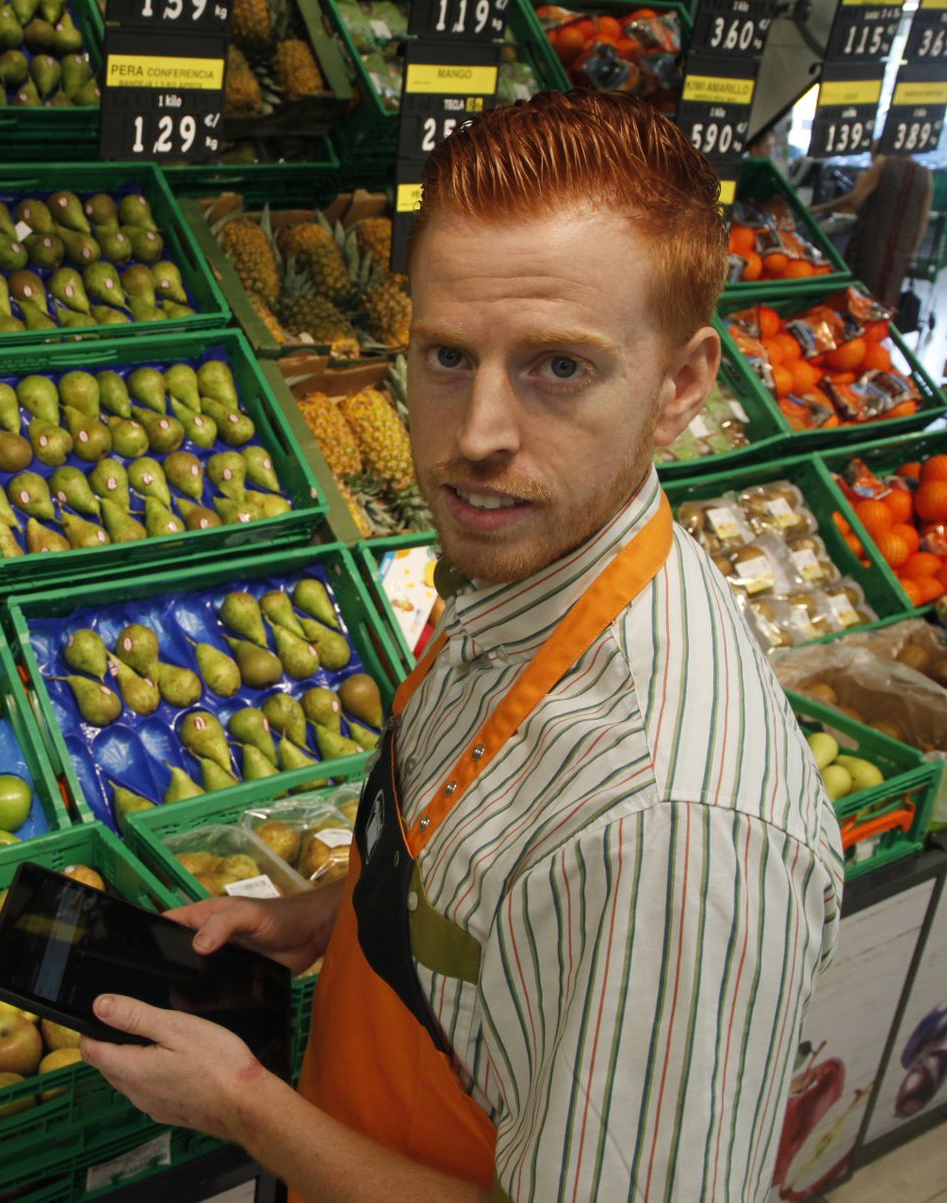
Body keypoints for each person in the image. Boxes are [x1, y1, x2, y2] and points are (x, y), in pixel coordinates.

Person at [79, 90, 845, 1202]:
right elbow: (483, 900)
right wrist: (328, 916)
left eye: (559, 368)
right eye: (444, 356)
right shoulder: (518, 570)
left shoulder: (674, 836)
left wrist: (246, 1106)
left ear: (680, 388)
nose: (476, 437)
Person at [810, 155, 933, 311]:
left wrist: (816, 209)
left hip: (872, 246)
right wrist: (913, 252)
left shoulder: (883, 164)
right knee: (884, 305)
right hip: (900, 256)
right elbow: (923, 220)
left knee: (856, 298)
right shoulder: (926, 175)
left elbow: (855, 199)